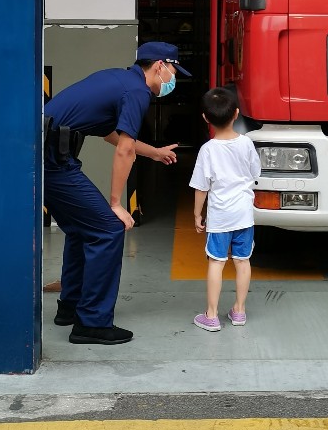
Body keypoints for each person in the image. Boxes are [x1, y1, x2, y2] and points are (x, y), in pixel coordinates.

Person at [44, 41, 191, 345]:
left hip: (46, 154)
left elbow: (109, 133)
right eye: (174, 70)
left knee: (81, 229)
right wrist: (115, 204)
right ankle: (92, 323)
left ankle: (70, 307)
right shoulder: (137, 92)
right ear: (160, 66)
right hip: (53, 160)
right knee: (108, 229)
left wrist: (153, 152)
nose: (173, 78)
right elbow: (124, 150)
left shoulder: (119, 80)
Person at [189, 87, 261, 332]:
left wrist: (198, 214)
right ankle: (239, 311)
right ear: (237, 114)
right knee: (243, 262)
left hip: (220, 217)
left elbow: (201, 187)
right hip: (243, 215)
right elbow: (255, 173)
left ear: (205, 118)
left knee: (216, 263)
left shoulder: (208, 149)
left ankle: (211, 315)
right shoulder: (247, 144)